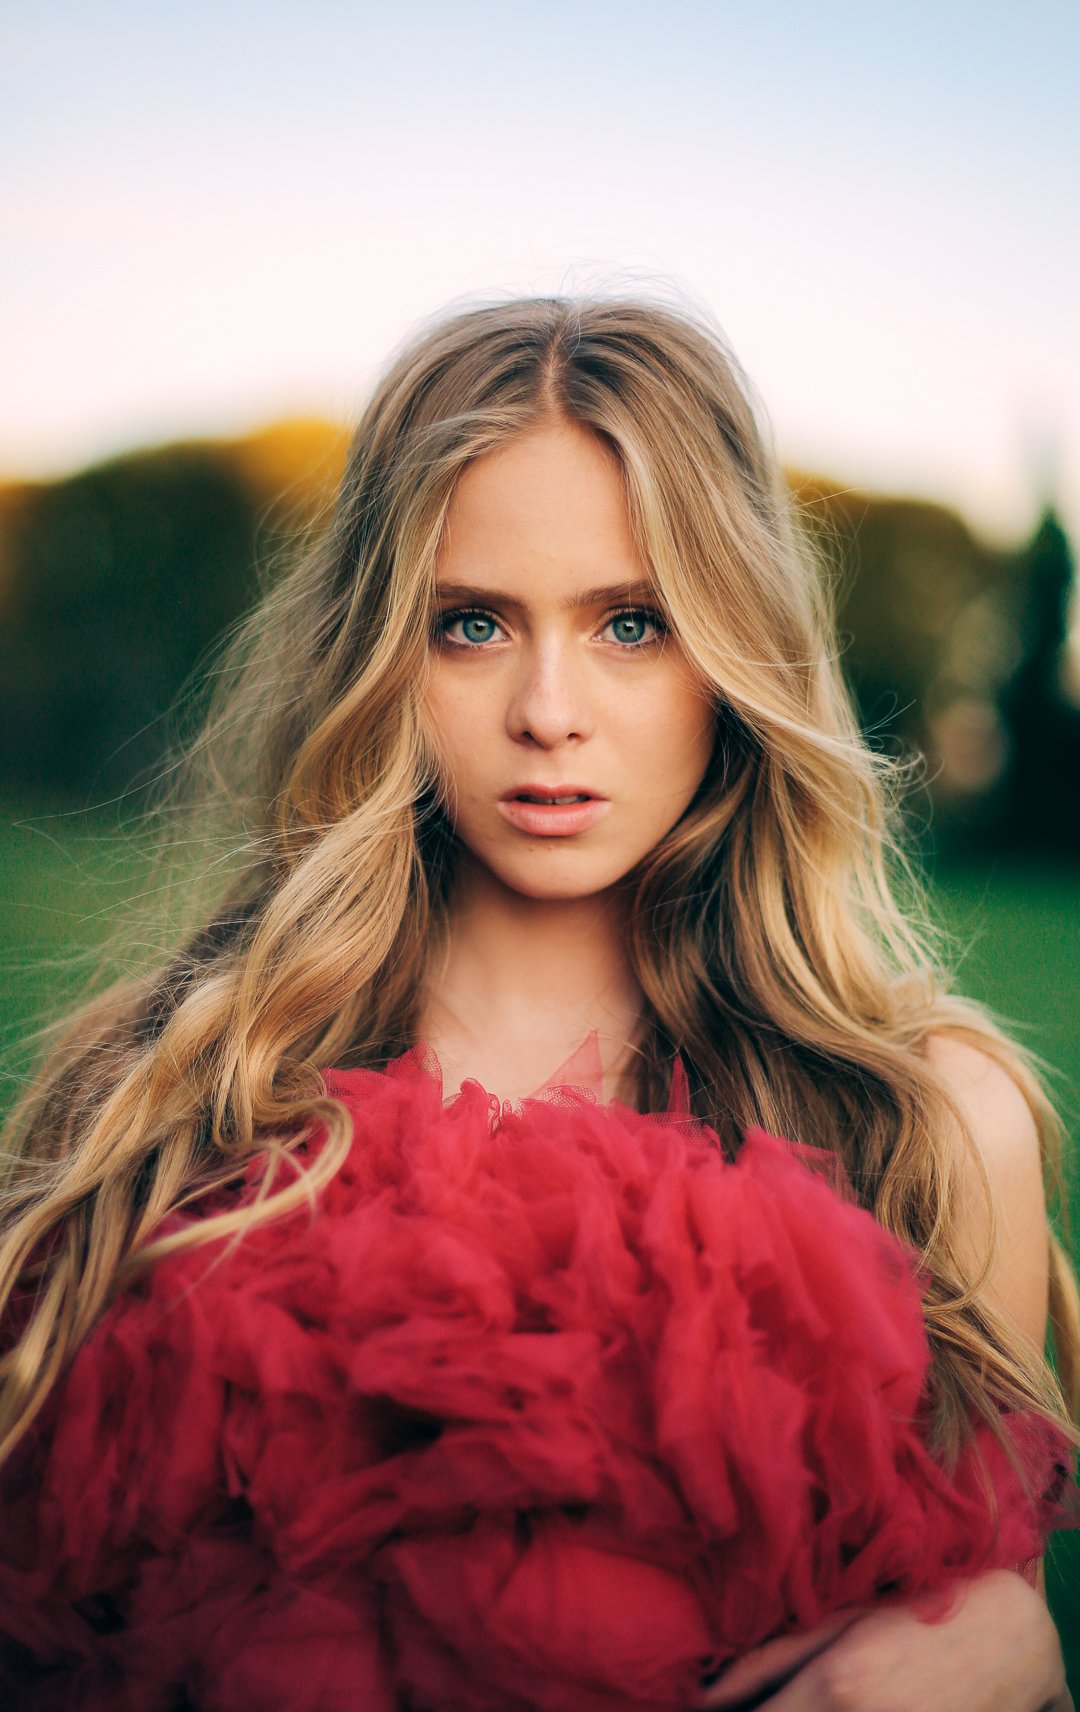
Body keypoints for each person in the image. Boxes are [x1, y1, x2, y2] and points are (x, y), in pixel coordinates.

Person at [0, 294, 1077, 1710]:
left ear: (735, 652)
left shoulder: (928, 1122)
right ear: (380, 654)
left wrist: (1023, 1662)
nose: (549, 710)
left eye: (633, 623)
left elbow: (966, 1635)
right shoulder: (163, 1094)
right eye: (471, 625)